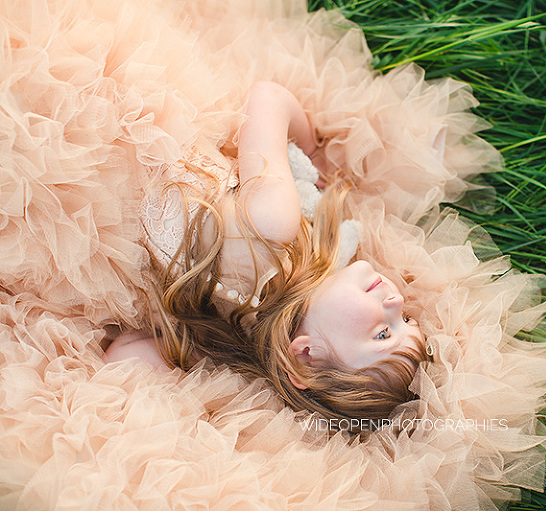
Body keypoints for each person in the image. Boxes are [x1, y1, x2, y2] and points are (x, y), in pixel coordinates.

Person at [104, 81, 431, 431]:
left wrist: (311, 148)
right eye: (408, 320)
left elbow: (267, 97)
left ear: (306, 356)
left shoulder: (274, 226)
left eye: (383, 333)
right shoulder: (219, 338)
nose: (397, 300)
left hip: (119, 116)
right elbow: (122, 356)